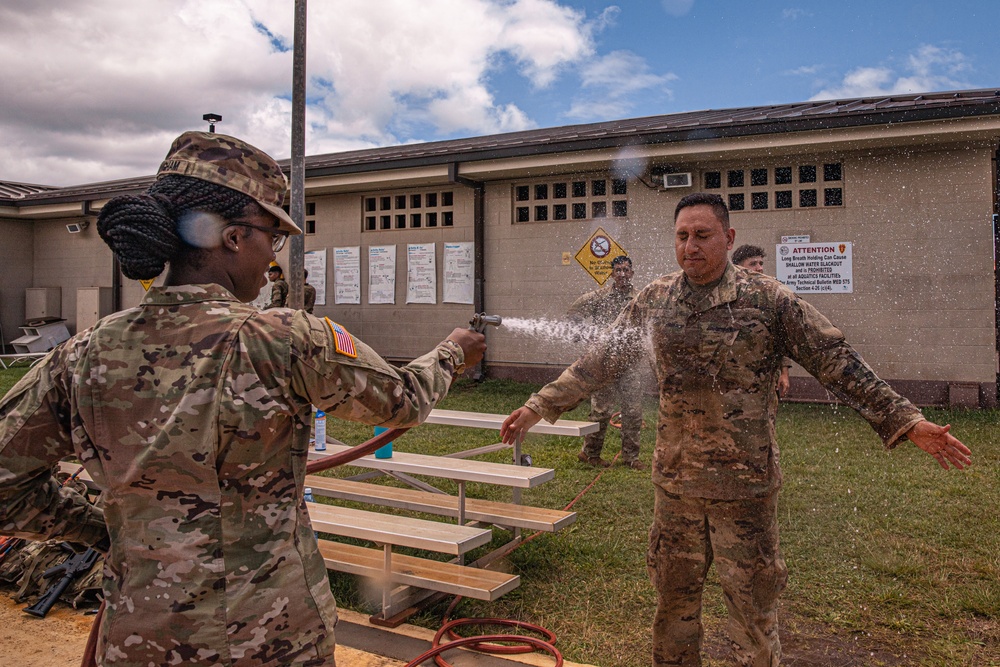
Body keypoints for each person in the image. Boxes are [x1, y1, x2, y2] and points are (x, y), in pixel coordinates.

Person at [0, 131, 486, 667]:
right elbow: (402, 403)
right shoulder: (284, 339)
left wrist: (107, 532)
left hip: (140, 641)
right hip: (273, 639)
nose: (272, 258)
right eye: (271, 238)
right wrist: (451, 354)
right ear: (232, 238)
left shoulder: (80, 355)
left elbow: (5, 487)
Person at [501, 192, 971, 667]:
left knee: (752, 616)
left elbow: (837, 362)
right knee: (673, 610)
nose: (690, 246)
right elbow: (602, 360)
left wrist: (905, 419)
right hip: (676, 487)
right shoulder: (655, 298)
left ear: (728, 238)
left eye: (702, 235)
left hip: (744, 490)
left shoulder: (769, 300)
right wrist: (539, 404)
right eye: (682, 236)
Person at [565, 255, 644, 469]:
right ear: (611, 274)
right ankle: (590, 454)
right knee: (601, 412)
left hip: (629, 363)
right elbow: (573, 313)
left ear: (632, 273)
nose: (622, 274)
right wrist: (586, 336)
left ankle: (631, 458)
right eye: (617, 270)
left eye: (626, 270)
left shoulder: (639, 298)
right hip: (604, 363)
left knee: (633, 411)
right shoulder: (599, 297)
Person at [732, 244, 792, 397]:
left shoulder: (770, 296)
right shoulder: (727, 296)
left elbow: (780, 335)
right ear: (738, 267)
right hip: (732, 377)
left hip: (763, 378)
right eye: (753, 264)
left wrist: (784, 373)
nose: (759, 268)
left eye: (761, 263)